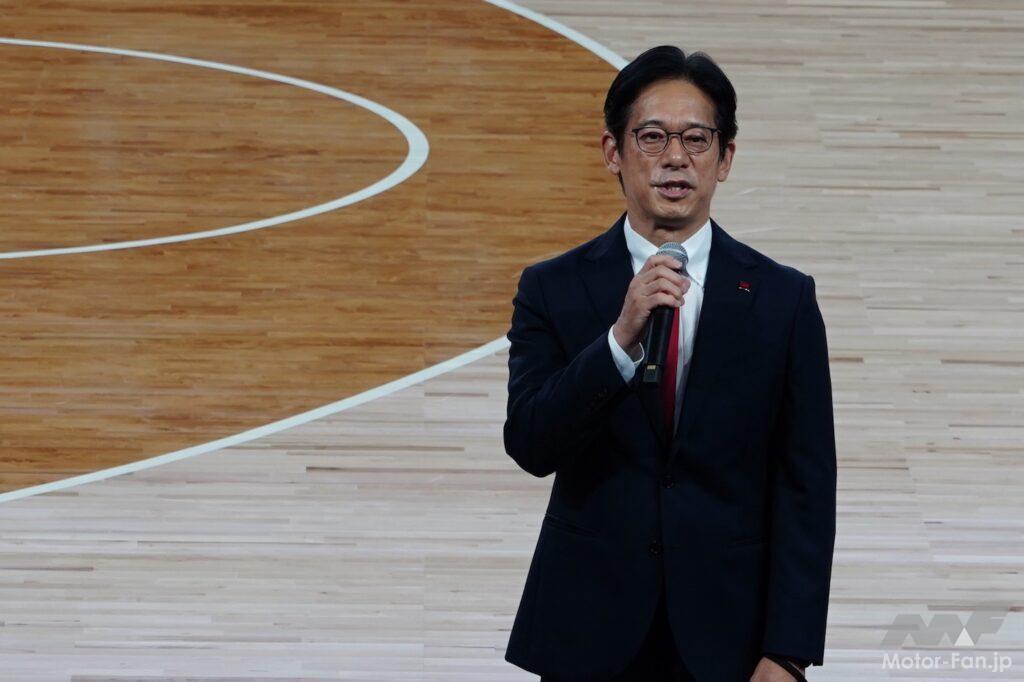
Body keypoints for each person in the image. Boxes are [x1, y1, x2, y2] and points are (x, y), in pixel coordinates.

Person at [501, 45, 836, 681]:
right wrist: (618, 341)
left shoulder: (783, 299)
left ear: (725, 158)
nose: (675, 157)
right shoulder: (552, 288)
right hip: (588, 631)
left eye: (697, 139)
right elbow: (531, 443)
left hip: (731, 637)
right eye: (652, 136)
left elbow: (807, 485)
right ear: (613, 152)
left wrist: (789, 652)